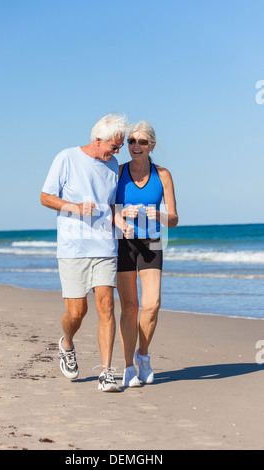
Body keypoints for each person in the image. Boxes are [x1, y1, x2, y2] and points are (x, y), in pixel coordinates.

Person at [40, 112, 130, 392]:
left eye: (120, 147)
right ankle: (67, 344)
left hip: (104, 246)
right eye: (114, 146)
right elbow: (45, 197)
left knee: (107, 305)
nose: (117, 152)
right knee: (77, 312)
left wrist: (120, 222)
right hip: (73, 248)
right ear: (97, 139)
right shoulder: (66, 157)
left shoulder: (113, 165)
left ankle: (106, 372)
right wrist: (76, 208)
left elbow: (112, 205)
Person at [115, 121, 179, 387]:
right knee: (130, 307)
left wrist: (160, 215)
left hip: (152, 241)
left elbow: (174, 218)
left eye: (142, 142)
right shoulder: (117, 173)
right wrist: (121, 215)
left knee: (152, 305)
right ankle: (128, 367)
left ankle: (143, 355)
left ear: (152, 145)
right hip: (124, 243)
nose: (135, 146)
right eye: (131, 141)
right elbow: (107, 210)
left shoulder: (162, 174)